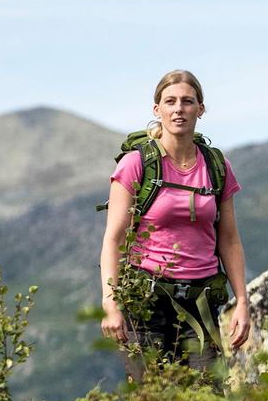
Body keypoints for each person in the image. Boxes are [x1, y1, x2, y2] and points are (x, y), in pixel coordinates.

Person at [100, 69, 250, 380]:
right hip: (146, 301)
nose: (178, 109)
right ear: (158, 110)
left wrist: (242, 303)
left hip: (202, 301)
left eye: (187, 101)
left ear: (200, 109)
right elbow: (113, 240)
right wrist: (110, 304)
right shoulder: (137, 164)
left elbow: (230, 239)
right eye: (170, 102)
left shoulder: (217, 166)